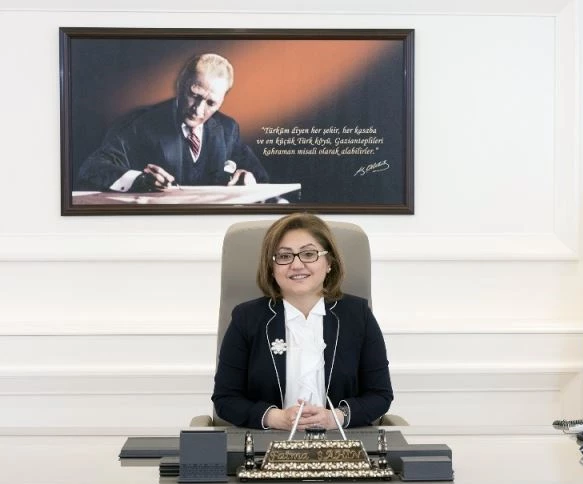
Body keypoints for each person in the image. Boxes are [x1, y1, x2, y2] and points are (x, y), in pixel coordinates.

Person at [212, 213, 393, 430]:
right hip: (267, 443)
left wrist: (335, 418)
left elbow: (379, 395)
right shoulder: (246, 318)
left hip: (341, 443)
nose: (297, 265)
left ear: (329, 262)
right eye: (284, 256)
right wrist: (276, 418)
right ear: (271, 267)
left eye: (309, 254)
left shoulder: (358, 315)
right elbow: (226, 399)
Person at [77, 53, 268, 192]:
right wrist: (139, 180)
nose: (198, 110)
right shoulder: (140, 124)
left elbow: (261, 178)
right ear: (180, 84)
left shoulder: (228, 128)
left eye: (211, 103)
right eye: (194, 95)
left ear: (222, 101)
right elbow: (92, 168)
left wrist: (249, 179)